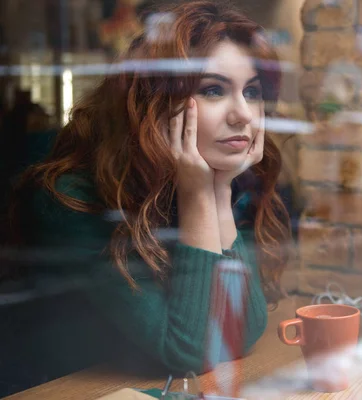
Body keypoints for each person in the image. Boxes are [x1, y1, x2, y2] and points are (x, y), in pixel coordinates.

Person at [5, 0, 292, 388]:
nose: (243, 113)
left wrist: (218, 192)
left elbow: (246, 326)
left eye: (252, 91)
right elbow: (188, 352)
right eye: (213, 90)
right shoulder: (69, 199)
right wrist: (200, 197)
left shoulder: (204, 178)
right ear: (155, 103)